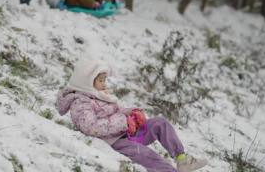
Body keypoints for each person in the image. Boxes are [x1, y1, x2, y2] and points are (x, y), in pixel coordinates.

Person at [56, 60, 207, 172]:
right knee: (148, 155)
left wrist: (130, 113)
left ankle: (182, 159)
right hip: (115, 141)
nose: (104, 84)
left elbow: (115, 113)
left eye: (104, 80)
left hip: (127, 133)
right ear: (87, 82)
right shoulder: (80, 103)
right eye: (101, 80)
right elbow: (91, 127)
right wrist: (123, 121)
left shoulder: (99, 95)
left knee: (160, 123)